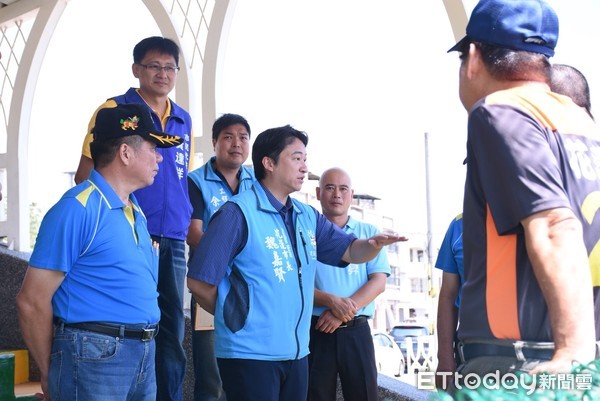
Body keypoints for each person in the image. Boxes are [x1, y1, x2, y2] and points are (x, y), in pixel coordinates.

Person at [186, 125, 407, 401]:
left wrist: (372, 246)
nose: (304, 167)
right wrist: (236, 315)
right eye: (296, 158)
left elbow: (350, 251)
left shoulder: (306, 215)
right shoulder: (236, 213)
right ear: (269, 163)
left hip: (297, 353)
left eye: (305, 159)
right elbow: (198, 281)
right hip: (250, 354)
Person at [447, 0, 600, 390]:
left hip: (522, 362)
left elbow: (552, 225)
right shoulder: (581, 124)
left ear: (474, 58)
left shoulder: (499, 111)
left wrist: (572, 351)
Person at [16, 103, 183, 401]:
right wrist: (49, 372)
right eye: (152, 147)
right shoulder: (77, 208)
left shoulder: (135, 211)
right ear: (125, 152)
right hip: (94, 355)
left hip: (143, 352)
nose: (159, 157)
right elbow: (31, 301)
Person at [73, 36, 193, 401]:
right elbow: (85, 174)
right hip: (128, 232)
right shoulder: (115, 109)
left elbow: (179, 177)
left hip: (171, 236)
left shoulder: (182, 118)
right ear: (136, 69)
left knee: (171, 327)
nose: (162, 73)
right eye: (153, 66)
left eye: (169, 67)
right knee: (128, 321)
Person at [307, 167, 390, 401]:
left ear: (351, 195)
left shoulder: (368, 233)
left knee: (364, 394)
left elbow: (379, 282)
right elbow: (296, 283)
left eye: (343, 189)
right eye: (330, 188)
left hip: (356, 331)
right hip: (316, 329)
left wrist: (342, 312)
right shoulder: (305, 231)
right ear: (318, 192)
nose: (337, 194)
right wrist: (331, 303)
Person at [187, 113, 254, 401]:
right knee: (211, 378)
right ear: (214, 143)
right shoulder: (195, 181)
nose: (236, 143)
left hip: (253, 289)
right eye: (228, 136)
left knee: (250, 374)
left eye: (243, 137)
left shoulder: (258, 181)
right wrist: (230, 258)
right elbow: (193, 232)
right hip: (210, 287)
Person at [433, 213, 463, 390]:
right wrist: (444, 357)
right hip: (471, 348)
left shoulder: (531, 217)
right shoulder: (458, 225)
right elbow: (448, 295)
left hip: (528, 346)